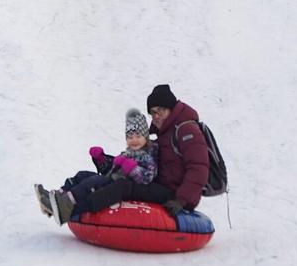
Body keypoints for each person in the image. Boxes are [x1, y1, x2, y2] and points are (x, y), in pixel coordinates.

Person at [63, 84, 211, 218]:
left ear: (171, 109)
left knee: (123, 186)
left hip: (176, 195)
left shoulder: (186, 130)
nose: (156, 116)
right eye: (153, 112)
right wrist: (105, 160)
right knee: (103, 179)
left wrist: (181, 200)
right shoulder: (163, 132)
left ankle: (74, 210)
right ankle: (60, 199)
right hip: (159, 186)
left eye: (161, 111)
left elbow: (199, 168)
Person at [38, 109, 159, 225]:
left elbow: (147, 177)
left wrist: (132, 168)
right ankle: (56, 197)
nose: (134, 140)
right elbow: (111, 169)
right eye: (130, 137)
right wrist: (101, 159)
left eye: (138, 136)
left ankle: (65, 204)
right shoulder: (128, 153)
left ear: (146, 137)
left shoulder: (148, 155)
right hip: (112, 179)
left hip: (123, 187)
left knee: (93, 182)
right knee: (82, 175)